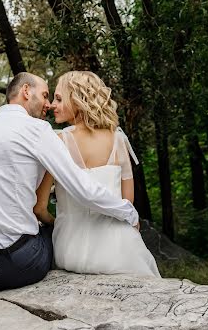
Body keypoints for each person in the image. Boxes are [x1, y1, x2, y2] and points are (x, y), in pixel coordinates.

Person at [0, 71, 139, 297]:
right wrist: (128, 211)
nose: (48, 104)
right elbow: (83, 189)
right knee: (45, 232)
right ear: (26, 91)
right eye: (46, 95)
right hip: (19, 263)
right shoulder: (38, 130)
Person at [34, 71, 160, 277]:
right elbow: (127, 204)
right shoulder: (118, 139)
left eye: (58, 98)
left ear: (78, 99)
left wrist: (59, 223)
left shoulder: (58, 142)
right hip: (120, 248)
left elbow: (39, 207)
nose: (52, 106)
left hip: (71, 247)